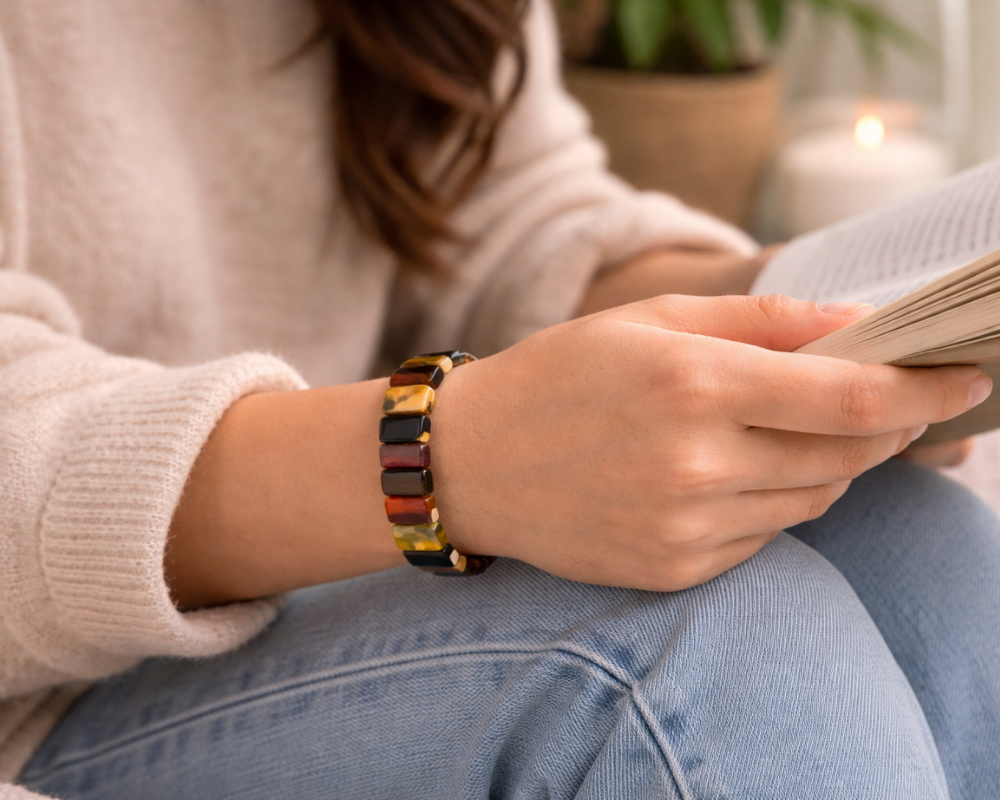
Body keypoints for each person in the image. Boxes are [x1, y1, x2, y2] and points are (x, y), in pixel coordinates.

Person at [1, 0, 999, 798]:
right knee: (705, 647)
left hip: (319, 574)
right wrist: (446, 452)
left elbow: (500, 211)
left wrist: (803, 332)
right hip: (42, 683)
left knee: (920, 543)